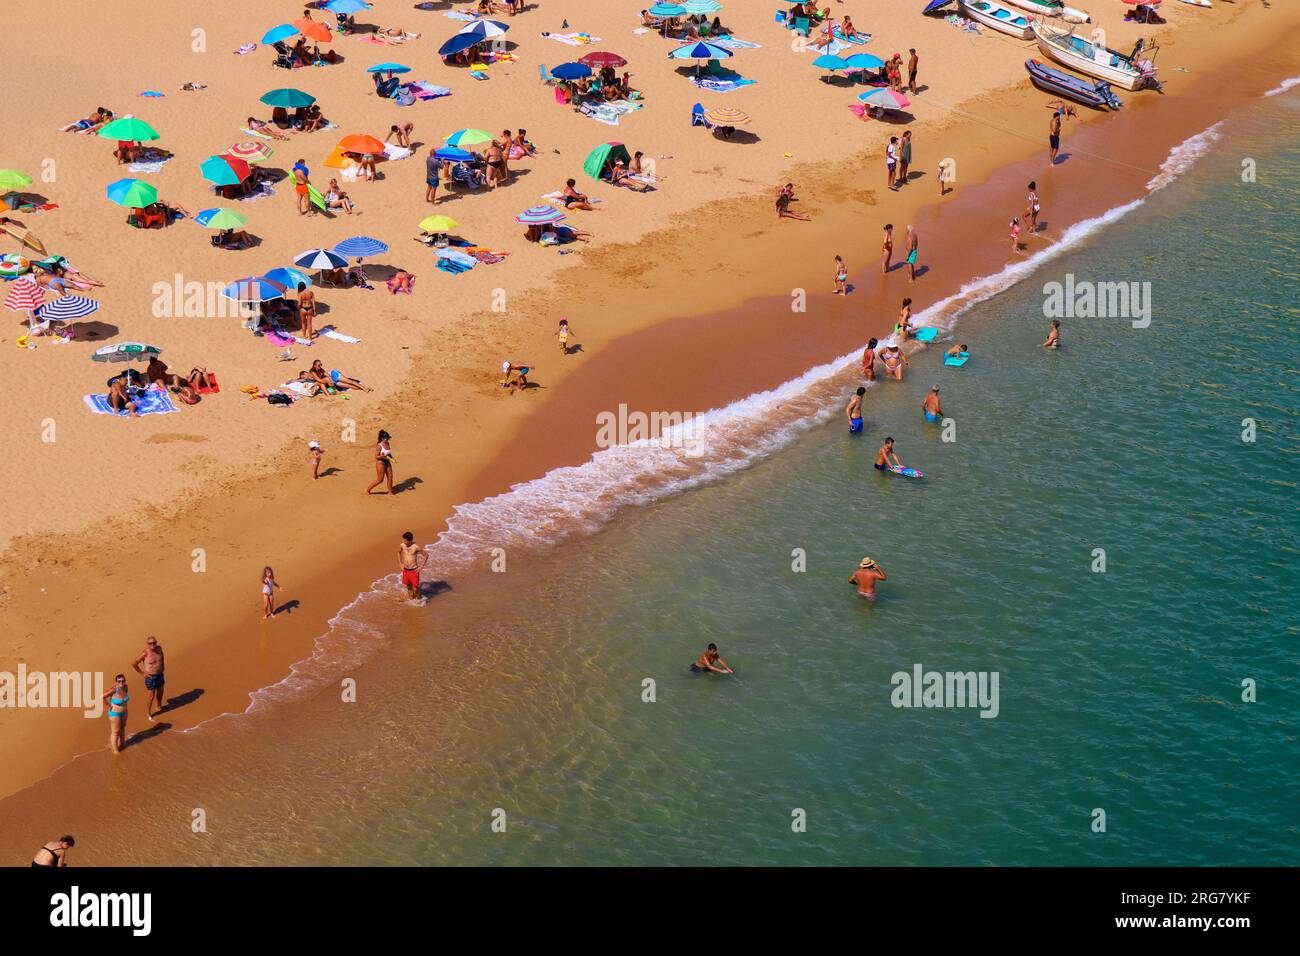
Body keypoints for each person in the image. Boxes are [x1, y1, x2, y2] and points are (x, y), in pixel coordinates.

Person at [131, 636, 166, 720]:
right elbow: (134, 663)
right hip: (151, 677)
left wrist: (163, 665)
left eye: (154, 642)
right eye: (150, 643)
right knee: (151, 696)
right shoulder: (145, 653)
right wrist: (142, 673)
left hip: (160, 675)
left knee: (160, 691)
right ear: (147, 644)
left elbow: (162, 656)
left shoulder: (159, 648)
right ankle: (149, 714)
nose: (152, 644)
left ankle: (159, 706)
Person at [103, 674, 129, 752]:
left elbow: (125, 697)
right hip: (115, 714)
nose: (121, 682)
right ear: (116, 682)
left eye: (123, 680)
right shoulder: (113, 690)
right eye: (119, 681)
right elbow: (103, 696)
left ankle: (122, 744)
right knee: (115, 732)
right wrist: (108, 705)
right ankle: (115, 750)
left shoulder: (125, 687)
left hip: (124, 712)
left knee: (122, 728)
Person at [399, 531, 428, 600]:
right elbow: (399, 552)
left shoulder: (416, 547)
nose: (403, 541)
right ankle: (411, 600)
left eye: (405, 540)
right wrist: (400, 563)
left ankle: (419, 601)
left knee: (415, 589)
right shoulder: (402, 545)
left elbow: (426, 555)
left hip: (413, 571)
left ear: (409, 541)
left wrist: (421, 566)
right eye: (403, 539)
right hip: (405, 570)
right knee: (408, 587)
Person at [366, 430, 395, 495]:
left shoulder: (387, 443)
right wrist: (382, 456)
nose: (388, 439)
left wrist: (392, 458)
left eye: (388, 438)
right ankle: (368, 490)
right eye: (386, 438)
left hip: (387, 461)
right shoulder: (379, 445)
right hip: (381, 462)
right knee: (380, 480)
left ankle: (390, 492)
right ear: (382, 438)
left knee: (390, 476)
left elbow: (388, 453)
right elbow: (376, 456)